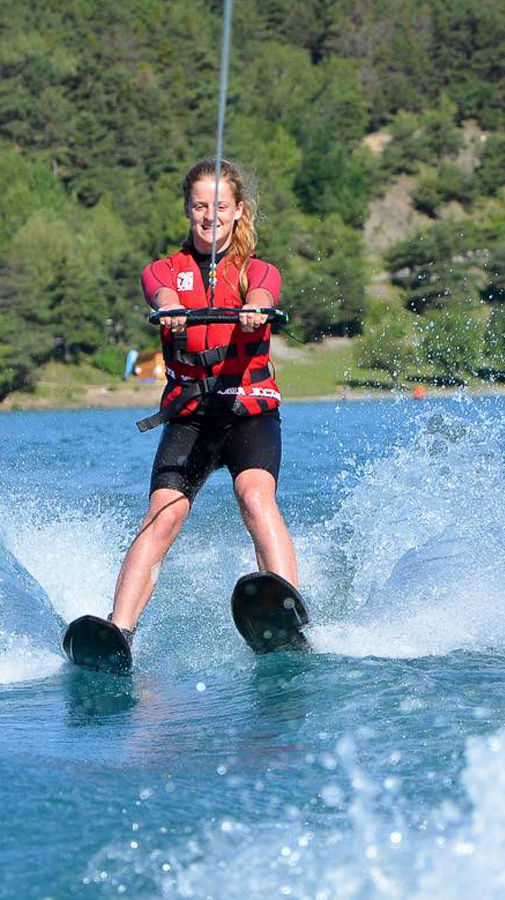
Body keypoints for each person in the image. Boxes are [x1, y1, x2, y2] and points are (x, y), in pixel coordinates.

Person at [107, 158, 298, 643]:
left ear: (238, 212)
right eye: (199, 206)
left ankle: (289, 611)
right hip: (191, 419)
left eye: (220, 206)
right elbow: (162, 294)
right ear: (187, 211)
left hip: (247, 411)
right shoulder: (162, 270)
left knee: (254, 497)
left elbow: (263, 290)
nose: (209, 216)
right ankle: (119, 631)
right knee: (163, 515)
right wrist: (170, 311)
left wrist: (255, 309)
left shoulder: (260, 271)